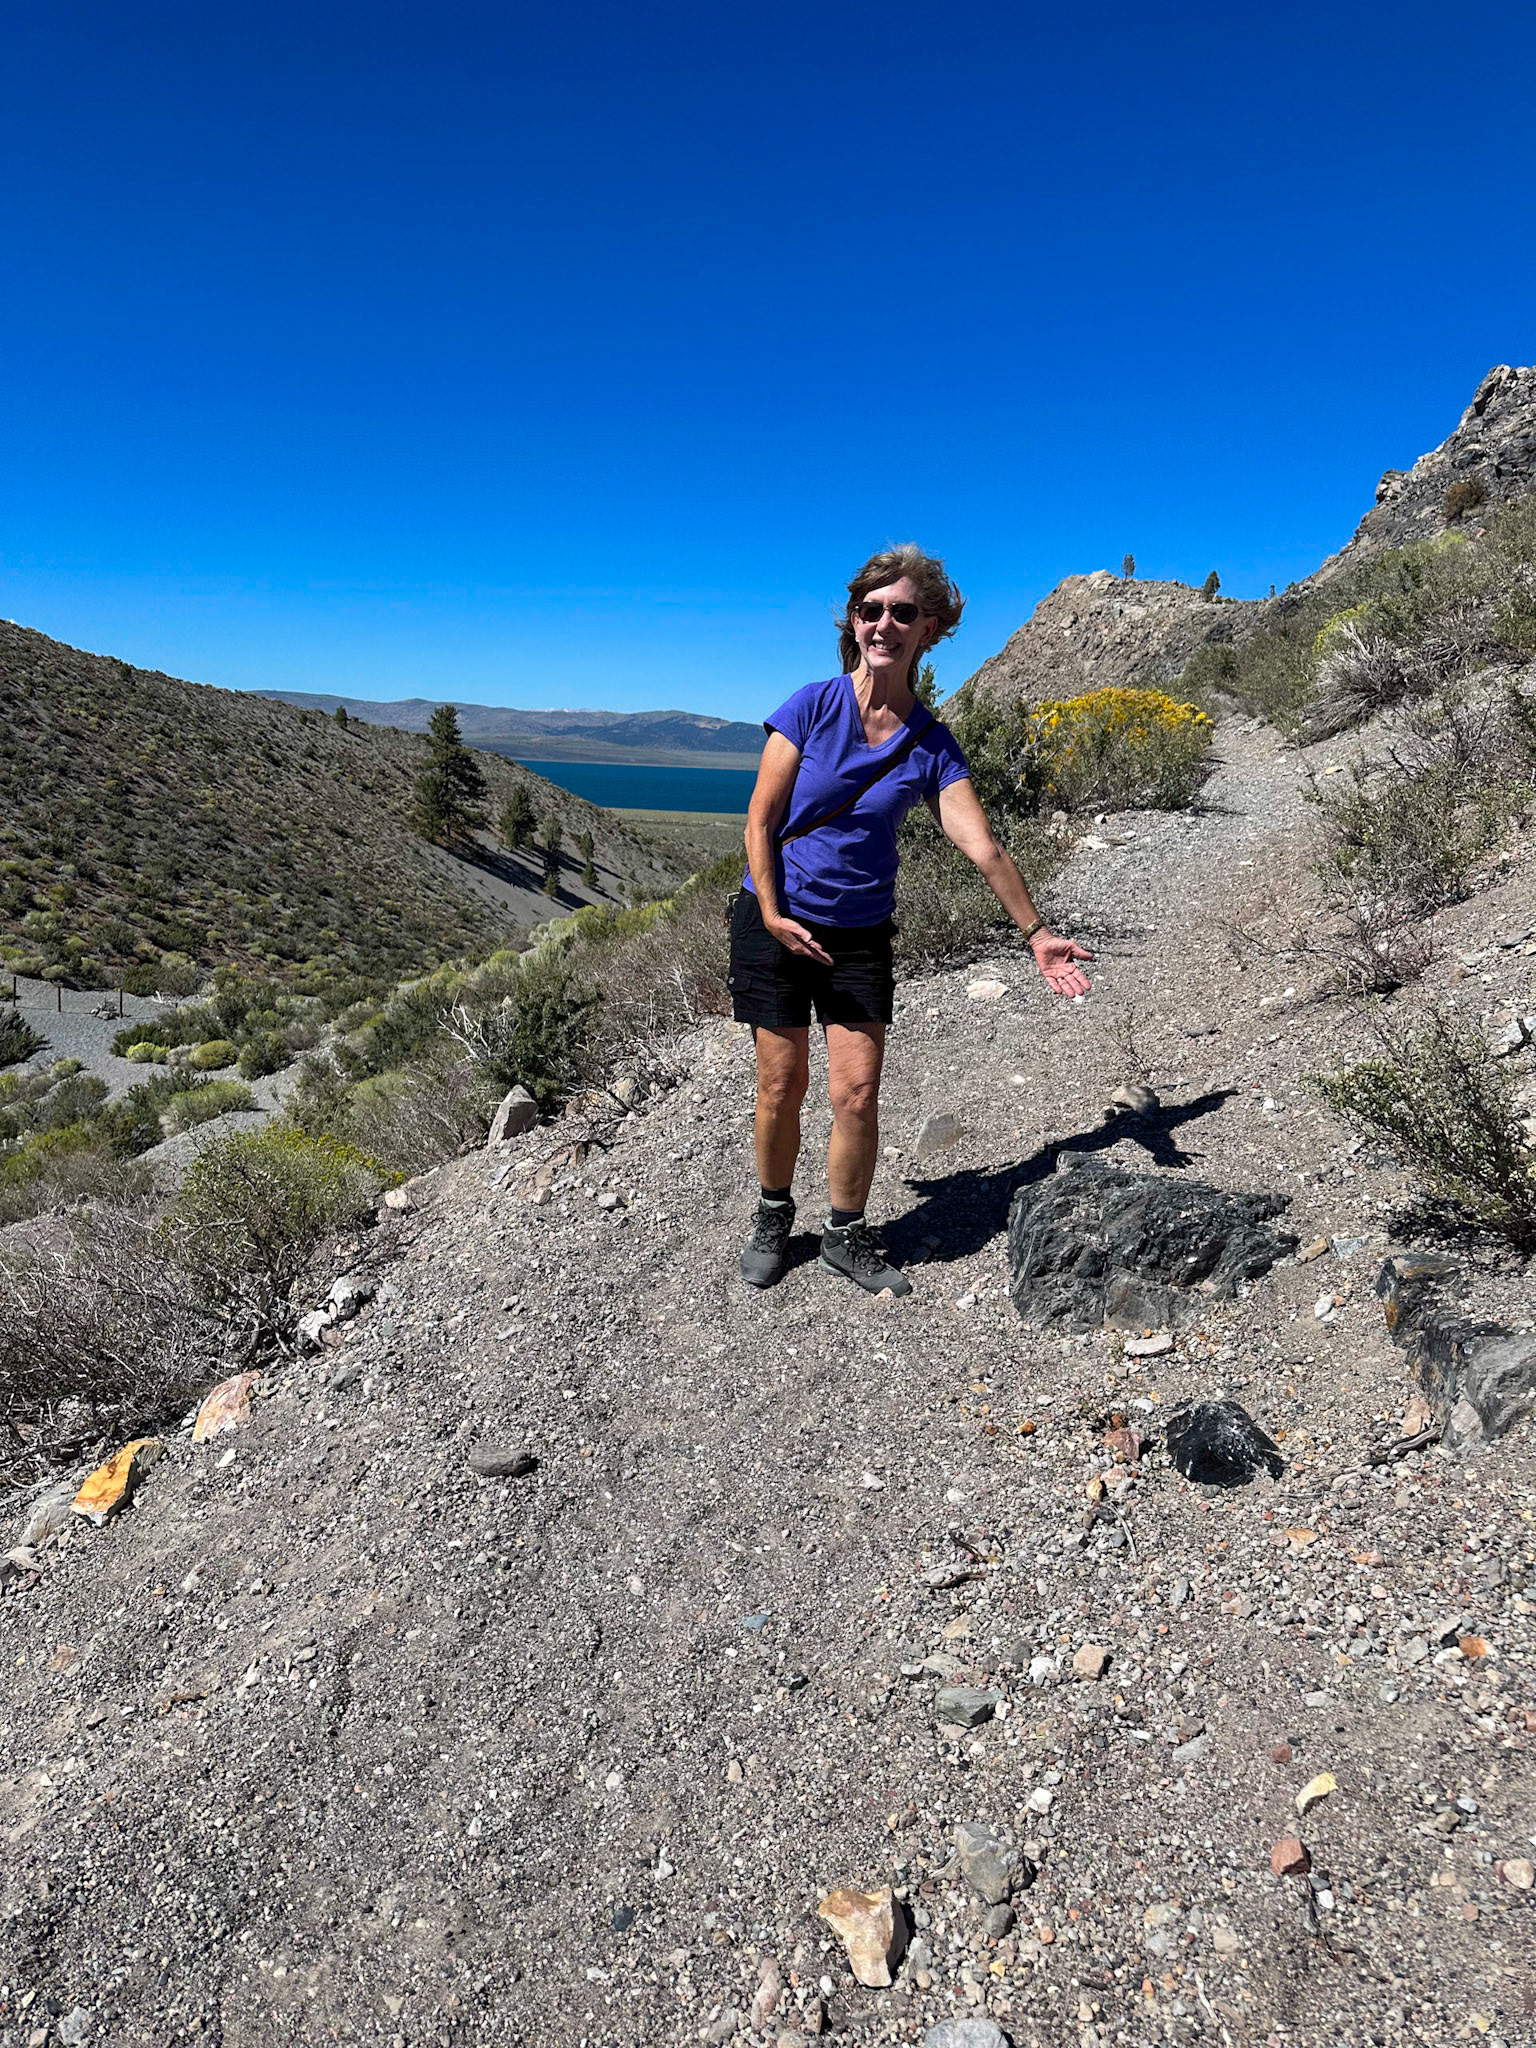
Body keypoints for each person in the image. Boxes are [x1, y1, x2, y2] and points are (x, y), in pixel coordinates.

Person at [730, 543, 1094, 1295]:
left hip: (859, 932)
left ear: (930, 628)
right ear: (853, 621)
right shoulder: (810, 706)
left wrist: (1036, 934)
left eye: (902, 613)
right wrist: (769, 913)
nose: (883, 624)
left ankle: (845, 1233)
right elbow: (759, 823)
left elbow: (981, 845)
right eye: (871, 610)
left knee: (856, 1094)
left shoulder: (930, 743)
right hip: (776, 919)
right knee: (781, 1083)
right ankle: (773, 1215)